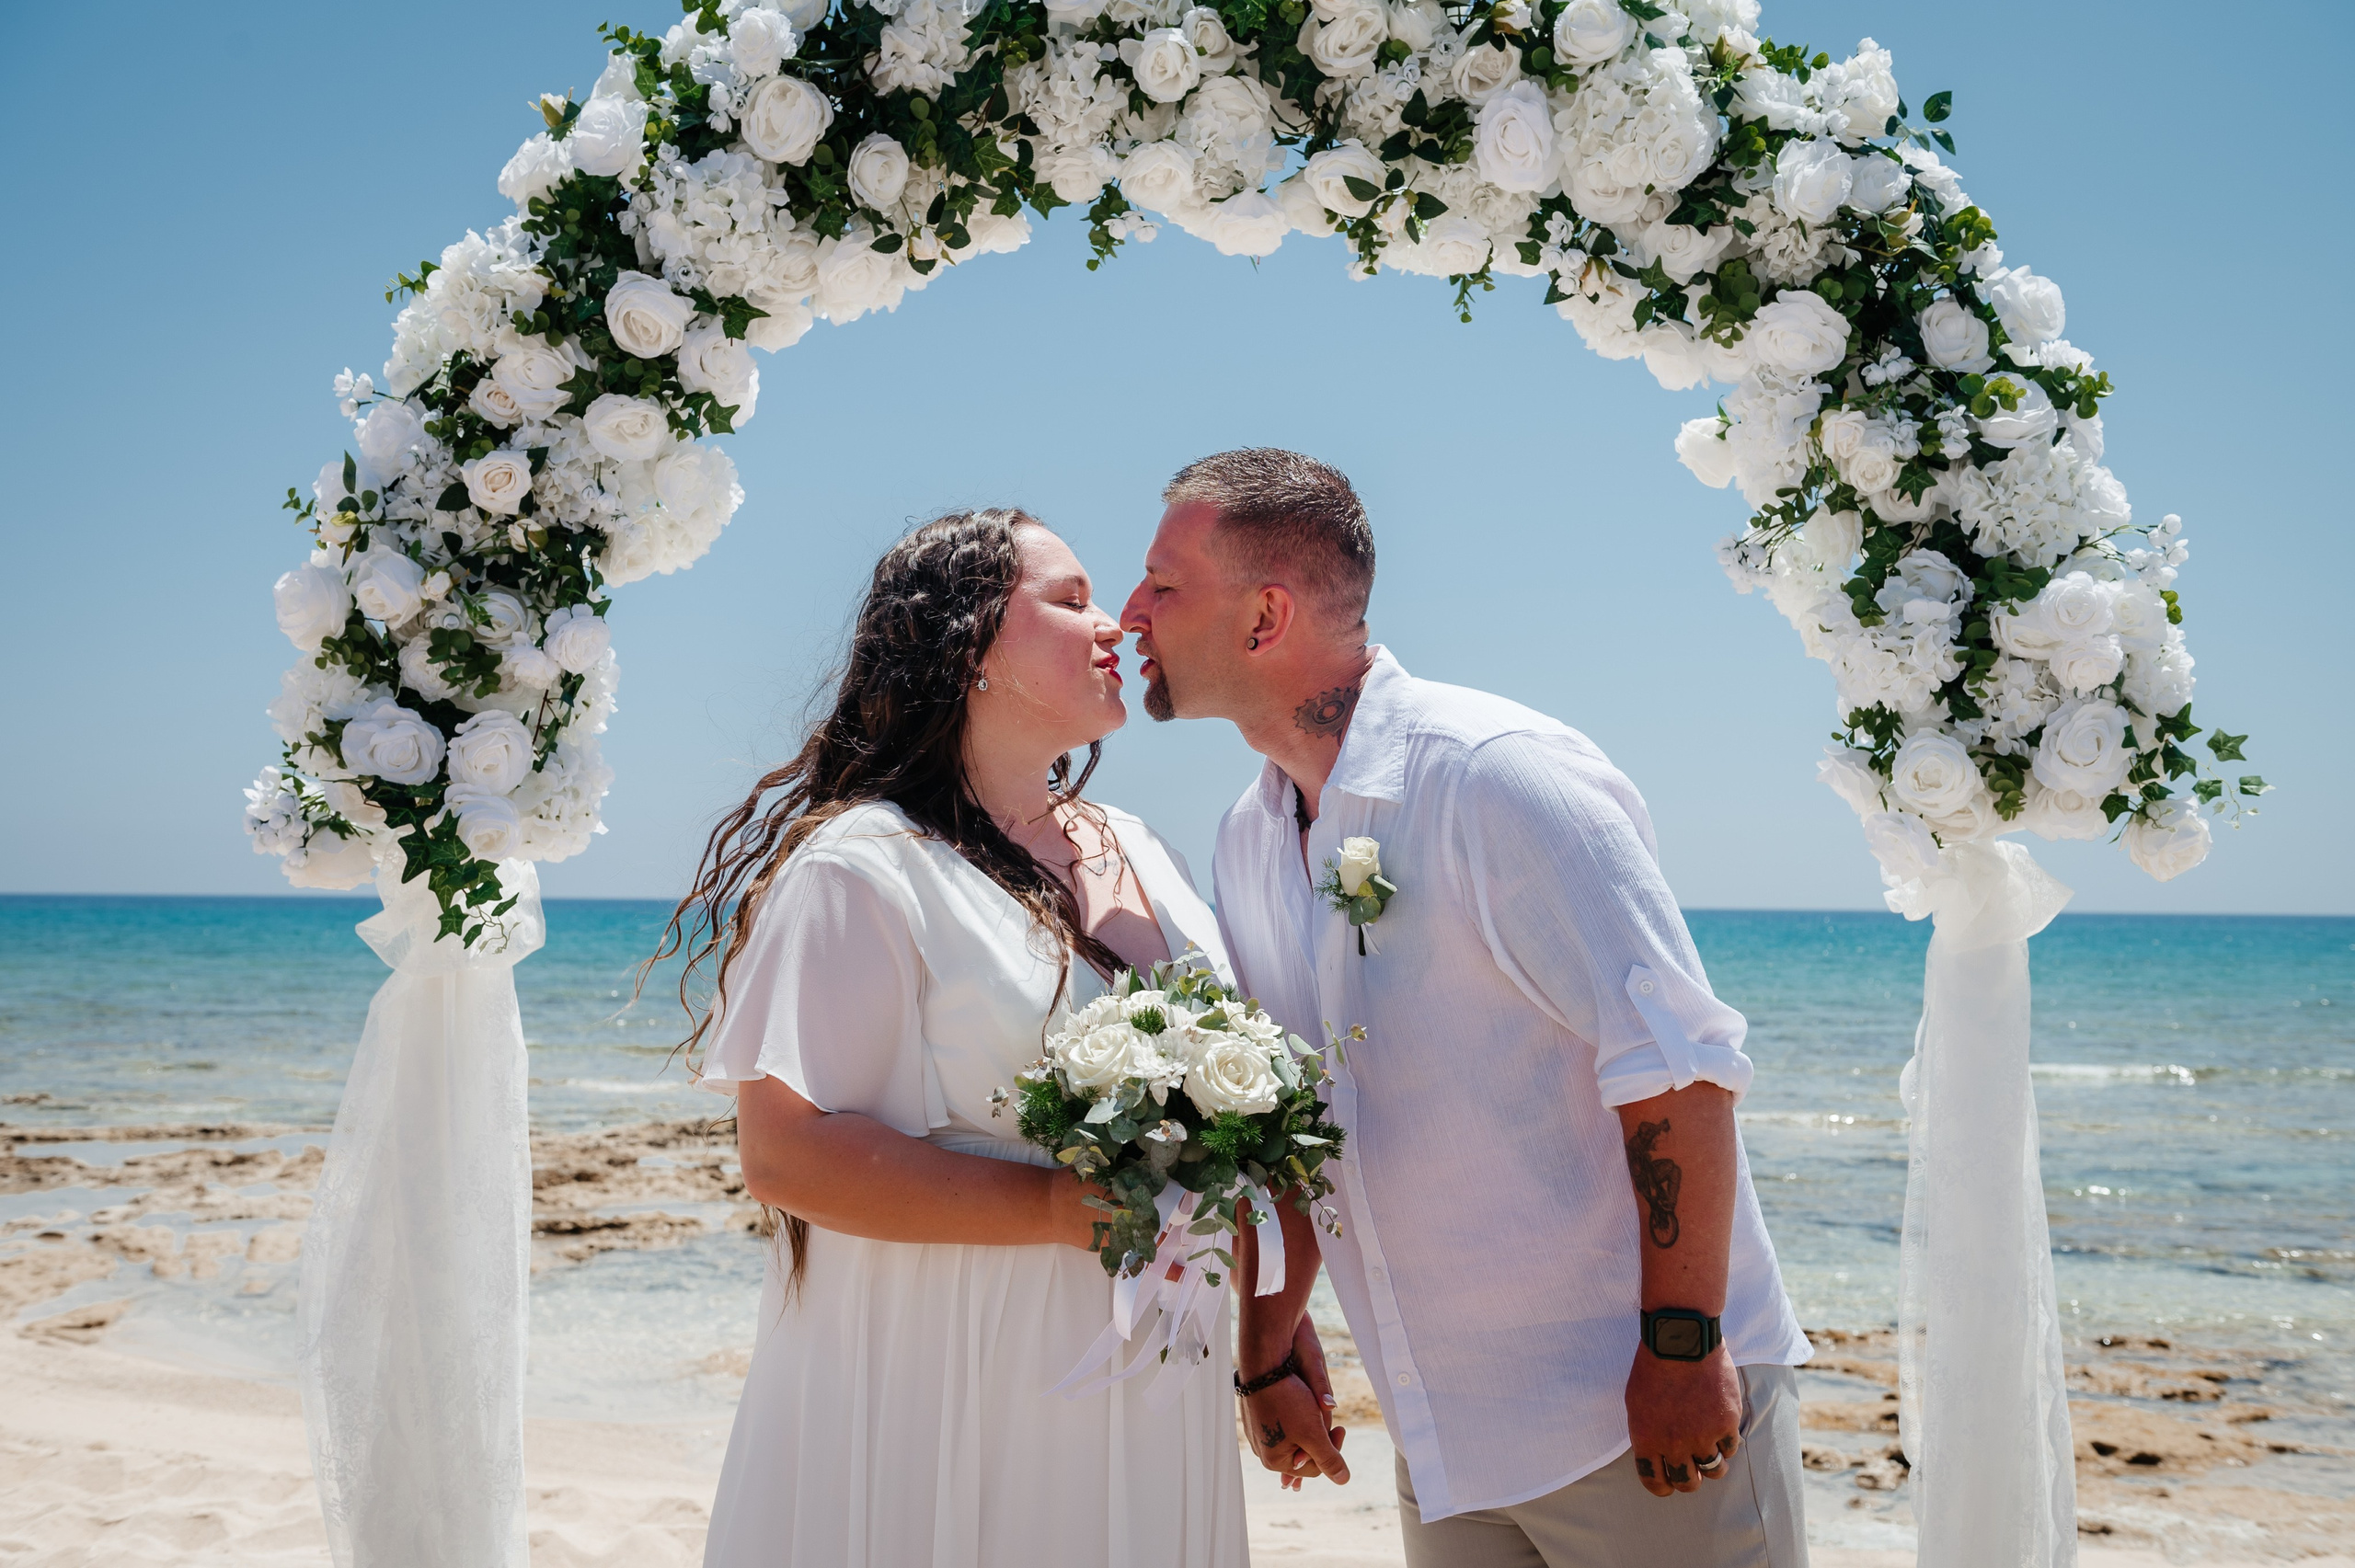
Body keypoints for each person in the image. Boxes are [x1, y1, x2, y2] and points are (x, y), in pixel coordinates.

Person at [1120, 451, 1816, 1567]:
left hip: (1635, 1410)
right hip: (1444, 1431)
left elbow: (1676, 1067)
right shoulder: (1247, 840)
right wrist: (1272, 1342)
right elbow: (1293, 1128)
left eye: (1162, 584)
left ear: (1265, 615)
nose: (1130, 613)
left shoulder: (1497, 777)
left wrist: (1683, 1348)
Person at [656, 509, 1273, 1568]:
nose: (1112, 628)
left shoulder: (1141, 848)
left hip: (1156, 1359)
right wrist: (1053, 1206)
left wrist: (1269, 1336)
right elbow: (787, 1152)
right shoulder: (863, 866)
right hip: (961, 1364)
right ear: (969, 643)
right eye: (1069, 601)